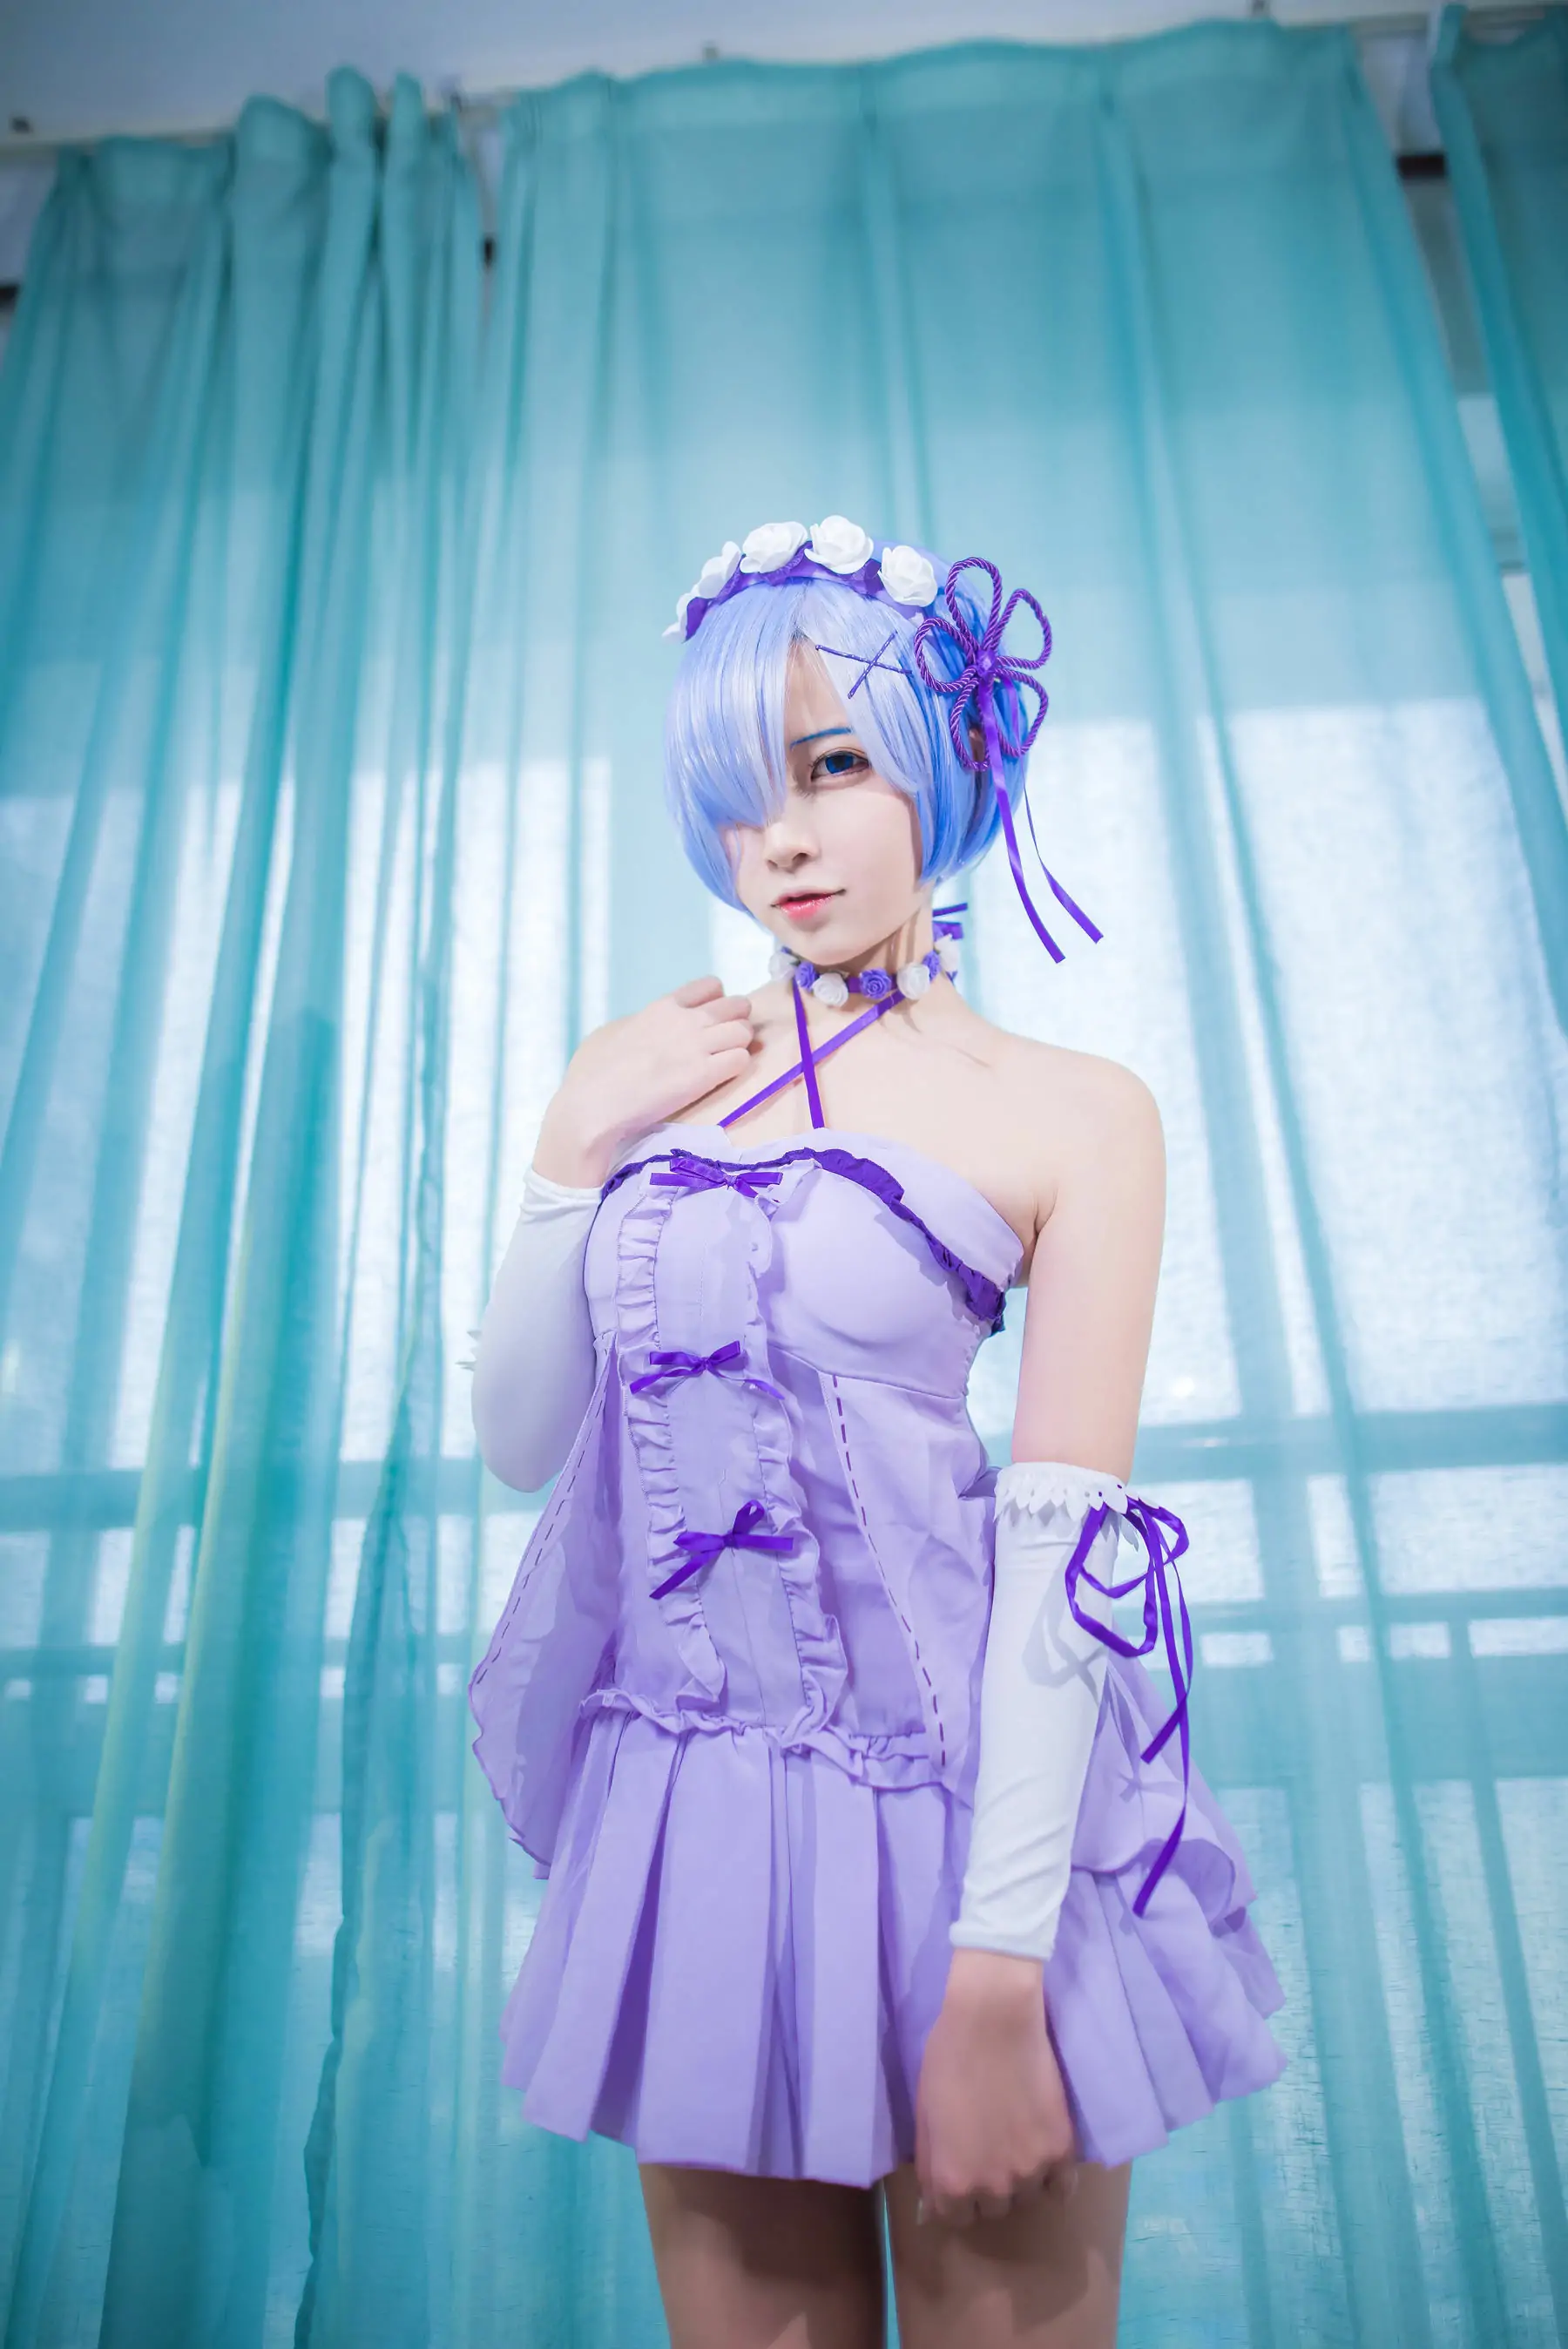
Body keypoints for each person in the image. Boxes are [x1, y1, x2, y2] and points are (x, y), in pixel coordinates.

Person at [468, 519, 1287, 2348]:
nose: (782, 836)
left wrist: (998, 1973)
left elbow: (1067, 1546)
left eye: (833, 764)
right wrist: (567, 1146)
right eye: (740, 793)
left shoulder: (1071, 1112)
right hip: (697, 1820)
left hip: (978, 1824)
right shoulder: (661, 1079)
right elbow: (524, 1439)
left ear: (943, 756)